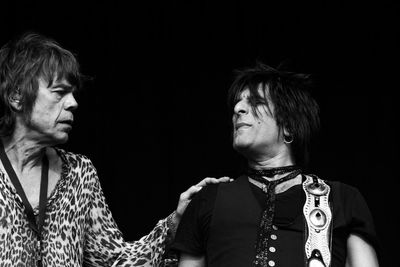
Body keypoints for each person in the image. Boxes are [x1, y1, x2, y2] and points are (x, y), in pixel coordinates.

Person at [0, 32, 231, 266]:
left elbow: (116, 260)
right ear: (16, 97)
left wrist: (176, 221)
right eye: (59, 92)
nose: (73, 103)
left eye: (72, 93)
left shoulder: (79, 173)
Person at [172, 62, 380, 267]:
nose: (237, 109)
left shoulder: (342, 199)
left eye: (255, 102)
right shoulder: (208, 198)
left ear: (288, 126)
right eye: (237, 103)